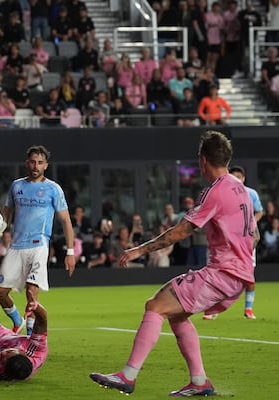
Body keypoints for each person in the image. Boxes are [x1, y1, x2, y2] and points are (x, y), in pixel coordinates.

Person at [89, 130, 259, 396]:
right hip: (240, 276)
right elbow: (255, 235)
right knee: (177, 315)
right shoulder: (243, 191)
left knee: (156, 306)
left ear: (203, 160)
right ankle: (199, 381)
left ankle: (128, 376)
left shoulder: (214, 191)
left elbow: (181, 232)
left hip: (223, 274)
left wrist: (138, 250)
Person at [0, 145, 75, 336]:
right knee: (0, 291)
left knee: (32, 292)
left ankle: (30, 335)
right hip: (16, 246)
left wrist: (70, 252)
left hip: (39, 245)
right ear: (26, 163)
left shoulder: (53, 189)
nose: (35, 166)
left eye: (40, 162)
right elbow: (5, 217)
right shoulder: (17, 186)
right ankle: (17, 320)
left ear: (46, 165)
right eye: (32, 162)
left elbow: (66, 221)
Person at [204, 165, 263, 320]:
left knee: (249, 276)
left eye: (239, 177)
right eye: (234, 176)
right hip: (227, 241)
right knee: (220, 274)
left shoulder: (251, 193)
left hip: (247, 239)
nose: (237, 179)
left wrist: (251, 223)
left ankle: (248, 309)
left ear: (243, 179)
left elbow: (259, 211)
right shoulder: (223, 193)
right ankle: (214, 309)